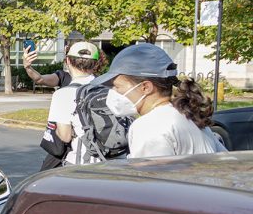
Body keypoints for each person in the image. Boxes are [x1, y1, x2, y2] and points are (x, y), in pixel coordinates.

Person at [94, 43, 227, 158]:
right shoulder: (188, 115)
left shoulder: (149, 126)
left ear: (145, 87)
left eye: (117, 86)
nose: (113, 92)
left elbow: (151, 183)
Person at [40, 41, 106, 167]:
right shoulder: (107, 88)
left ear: (68, 61)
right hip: (112, 161)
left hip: (81, 162)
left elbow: (65, 136)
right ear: (96, 64)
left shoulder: (63, 94)